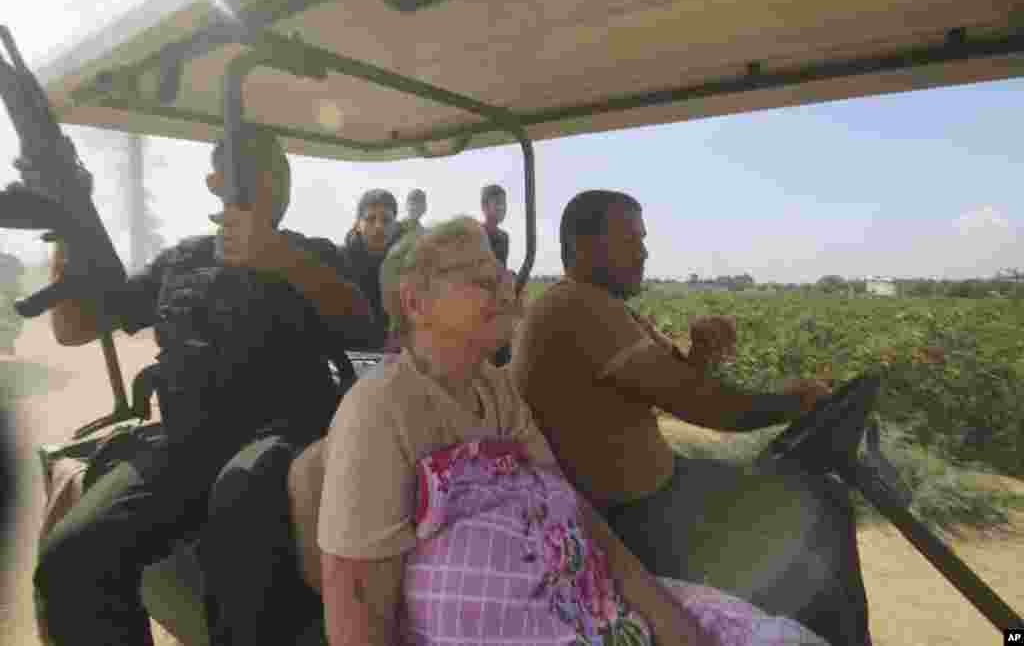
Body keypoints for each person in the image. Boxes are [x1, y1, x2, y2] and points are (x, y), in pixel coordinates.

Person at [316, 216, 829, 646]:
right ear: (414, 303)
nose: (505, 288)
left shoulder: (494, 388)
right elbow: (358, 607)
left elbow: (568, 507)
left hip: (571, 598)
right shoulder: (381, 411)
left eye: (501, 273)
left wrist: (668, 617)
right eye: (479, 278)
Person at [33, 126, 375, 646]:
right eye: (229, 165)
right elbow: (75, 326)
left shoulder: (315, 254)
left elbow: (364, 329)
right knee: (72, 557)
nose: (240, 180)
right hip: (184, 446)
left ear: (280, 185)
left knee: (243, 497)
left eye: (261, 168)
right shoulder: (183, 257)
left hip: (279, 439)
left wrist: (279, 257)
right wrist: (63, 216)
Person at [511, 189, 873, 646]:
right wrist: (794, 402)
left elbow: (671, 381)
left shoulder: (603, 306)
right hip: (626, 518)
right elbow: (705, 406)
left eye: (641, 239)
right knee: (823, 506)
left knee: (807, 495)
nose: (643, 251)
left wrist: (700, 354)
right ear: (584, 246)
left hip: (658, 490)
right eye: (630, 240)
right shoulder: (575, 307)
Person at [337, 188, 401, 349]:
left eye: (386, 220)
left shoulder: (406, 267)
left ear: (395, 225)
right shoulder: (339, 262)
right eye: (370, 219)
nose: (379, 227)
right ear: (358, 224)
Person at [480, 183, 509, 267]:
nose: (502, 208)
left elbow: (502, 267)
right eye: (498, 203)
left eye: (504, 203)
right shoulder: (477, 234)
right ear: (484, 207)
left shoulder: (504, 237)